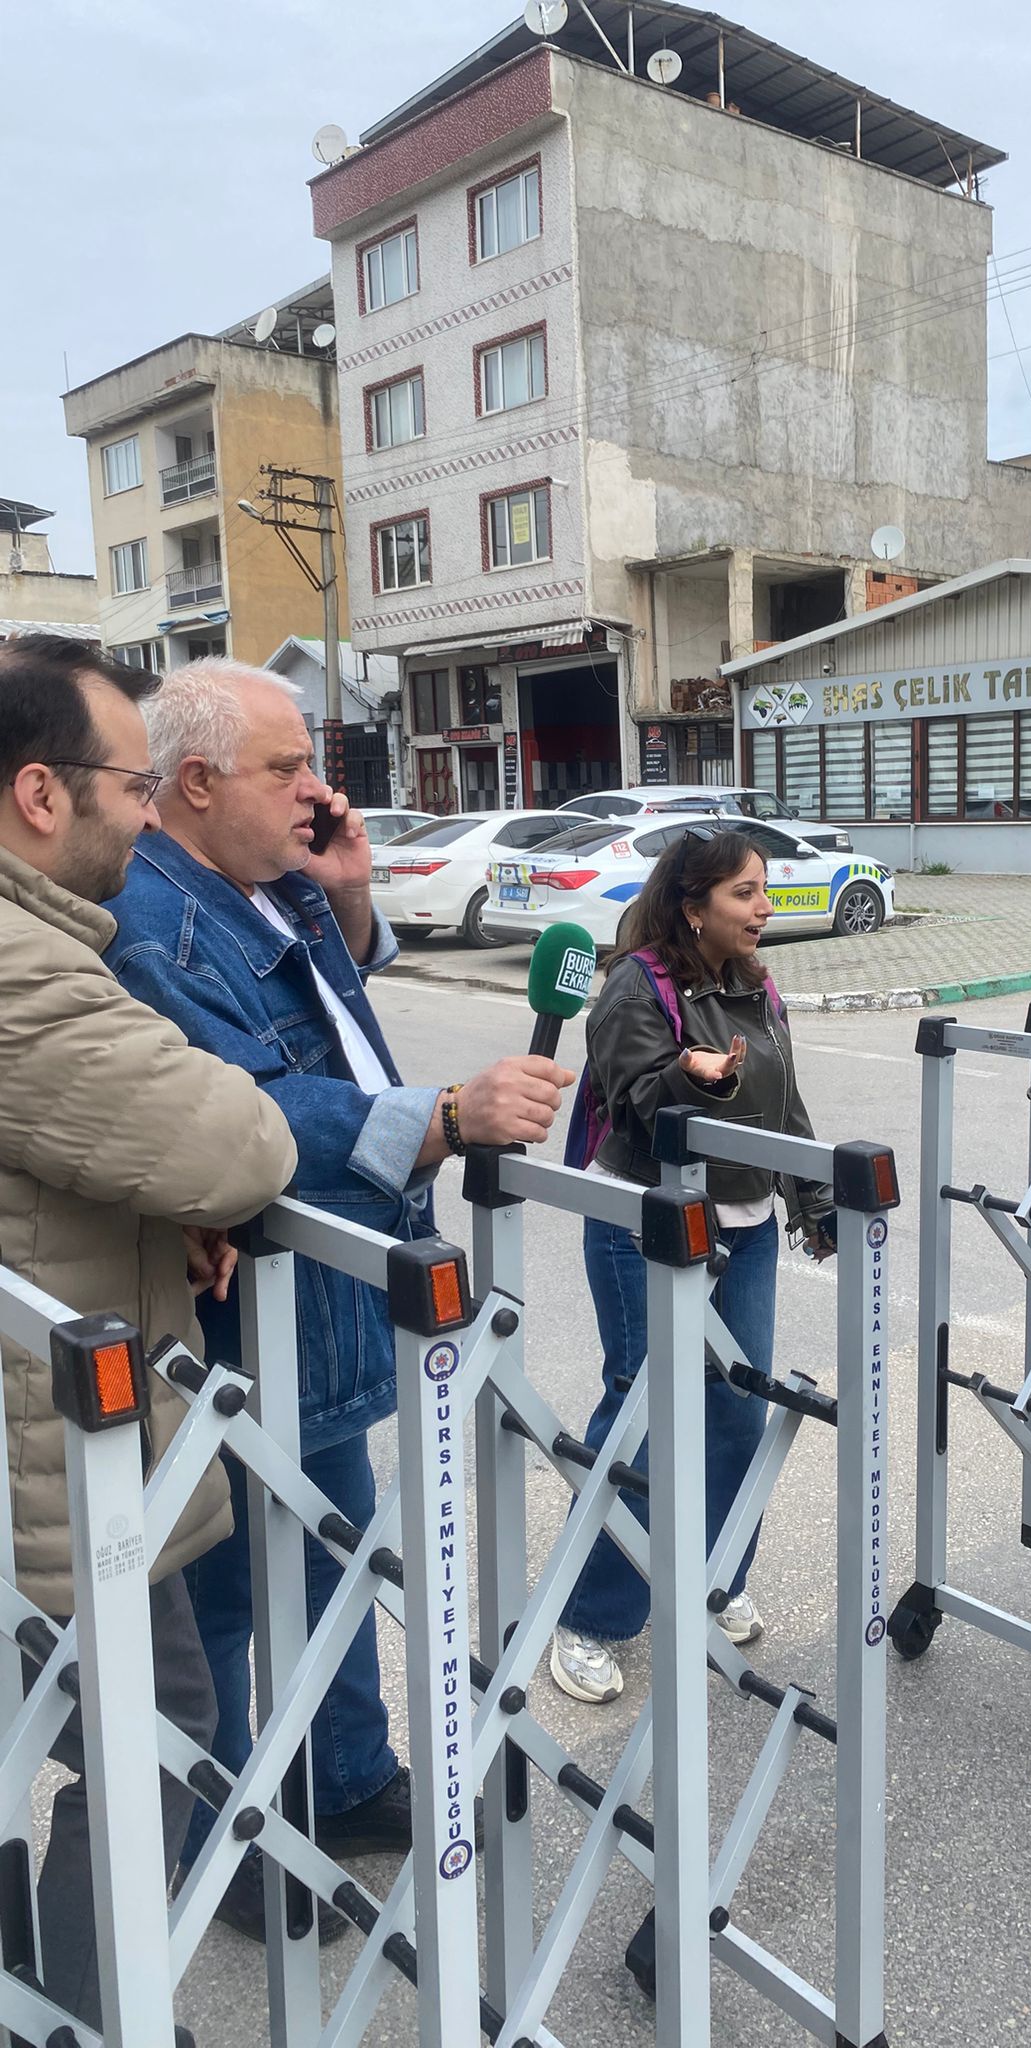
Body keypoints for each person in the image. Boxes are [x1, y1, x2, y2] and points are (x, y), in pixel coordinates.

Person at [102, 659, 574, 1939]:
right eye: (287, 767)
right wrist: (446, 1115)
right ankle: (223, 1832)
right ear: (196, 782)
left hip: (327, 1292)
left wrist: (349, 898)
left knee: (338, 1551)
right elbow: (246, 1113)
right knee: (228, 1588)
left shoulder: (262, 882)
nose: (317, 790)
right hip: (239, 1307)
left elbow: (334, 1010)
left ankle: (349, 1775)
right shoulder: (153, 923)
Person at [0, 636, 297, 2038]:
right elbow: (240, 1141)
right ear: (40, 794)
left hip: (56, 1450)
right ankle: (83, 2009)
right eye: (129, 784)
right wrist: (185, 1178)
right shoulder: (22, 970)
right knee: (158, 1728)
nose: (142, 815)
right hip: (54, 1481)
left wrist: (144, 1199)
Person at [551, 824, 835, 1705]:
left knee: (737, 1415)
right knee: (643, 1420)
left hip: (743, 1226)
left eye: (765, 890)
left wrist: (814, 1199)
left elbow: (785, 1105)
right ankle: (592, 1618)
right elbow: (638, 1099)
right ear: (692, 906)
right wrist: (693, 1078)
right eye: (745, 893)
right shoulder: (635, 987)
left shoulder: (758, 984)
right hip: (647, 1222)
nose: (764, 908)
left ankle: (713, 1579)